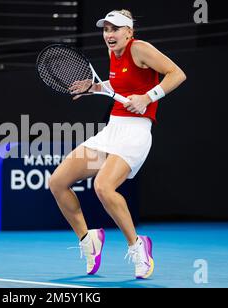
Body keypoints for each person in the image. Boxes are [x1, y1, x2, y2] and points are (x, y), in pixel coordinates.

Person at [49, 10, 186, 279]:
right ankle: (89, 239)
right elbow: (120, 84)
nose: (109, 34)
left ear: (129, 32)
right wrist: (95, 87)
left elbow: (177, 74)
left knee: (103, 186)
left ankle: (138, 246)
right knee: (57, 182)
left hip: (136, 135)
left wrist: (148, 97)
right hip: (113, 129)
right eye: (106, 29)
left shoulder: (141, 49)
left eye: (115, 29)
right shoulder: (115, 53)